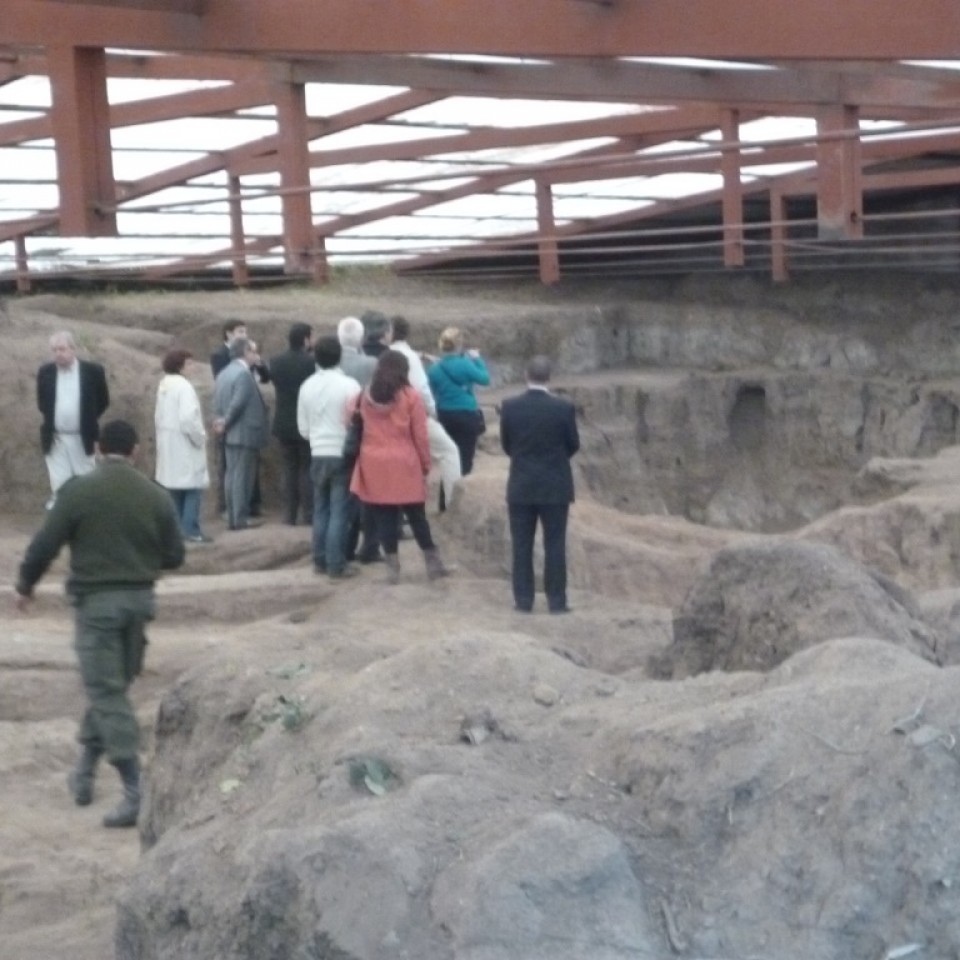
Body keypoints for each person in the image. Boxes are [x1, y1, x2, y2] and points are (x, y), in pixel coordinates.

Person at [14, 419, 185, 828]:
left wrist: (25, 585)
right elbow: (175, 555)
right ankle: (85, 772)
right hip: (139, 604)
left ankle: (135, 791)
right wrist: (139, 562)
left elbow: (45, 543)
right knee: (113, 687)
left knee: (107, 692)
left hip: (97, 608)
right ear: (136, 451)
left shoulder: (77, 491)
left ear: (96, 449)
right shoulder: (156, 495)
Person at [350, 350, 453, 584]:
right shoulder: (410, 396)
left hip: (372, 461)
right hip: (404, 460)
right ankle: (433, 564)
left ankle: (393, 569)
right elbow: (420, 435)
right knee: (417, 515)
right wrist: (425, 464)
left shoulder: (364, 395)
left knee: (384, 516)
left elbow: (348, 417)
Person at [499, 355, 580, 614]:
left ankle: (524, 600)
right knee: (555, 544)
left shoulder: (510, 406)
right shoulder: (564, 408)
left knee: (521, 545)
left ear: (526, 375)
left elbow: (507, 444)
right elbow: (573, 444)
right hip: (555, 484)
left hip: (521, 484)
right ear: (550, 377)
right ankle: (557, 601)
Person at [297, 335, 361, 580]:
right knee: (339, 511)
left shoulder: (307, 386)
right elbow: (356, 422)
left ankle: (320, 559)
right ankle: (336, 563)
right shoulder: (350, 385)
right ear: (339, 357)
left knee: (321, 509)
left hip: (317, 451)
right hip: (342, 451)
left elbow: (303, 428)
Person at [390, 315, 463, 513]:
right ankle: (452, 505)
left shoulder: (387, 353)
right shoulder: (409, 357)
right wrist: (432, 411)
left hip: (387, 416)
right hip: (413, 414)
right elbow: (421, 389)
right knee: (449, 452)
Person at [36, 330, 110, 504]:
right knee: (59, 485)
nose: (58, 354)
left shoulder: (93, 371)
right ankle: (62, 517)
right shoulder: (46, 372)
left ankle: (85, 518)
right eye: (54, 350)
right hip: (56, 438)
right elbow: (42, 403)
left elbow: (103, 401)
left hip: (82, 437)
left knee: (86, 482)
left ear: (73, 349)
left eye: (62, 349)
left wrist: (87, 420)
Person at [210, 320, 269, 517]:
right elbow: (237, 404)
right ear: (245, 352)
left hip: (228, 433)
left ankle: (231, 514)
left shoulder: (224, 373)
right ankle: (239, 517)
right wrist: (225, 421)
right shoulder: (243, 374)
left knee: (231, 475)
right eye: (253, 352)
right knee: (242, 477)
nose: (255, 355)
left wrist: (219, 421)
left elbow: (218, 401)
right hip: (243, 432)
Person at [154, 348, 212, 543]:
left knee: (175, 489)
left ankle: (177, 530)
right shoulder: (184, 387)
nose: (193, 367)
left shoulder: (164, 385)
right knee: (193, 488)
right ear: (180, 366)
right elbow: (188, 419)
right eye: (189, 364)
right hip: (185, 444)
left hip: (169, 444)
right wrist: (200, 437)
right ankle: (191, 530)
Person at [427, 324, 490, 496]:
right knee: (465, 457)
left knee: (448, 458)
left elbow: (432, 391)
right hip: (466, 413)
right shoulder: (465, 364)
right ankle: (461, 497)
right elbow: (485, 379)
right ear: (459, 344)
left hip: (445, 414)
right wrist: (477, 359)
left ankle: (445, 497)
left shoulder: (434, 369)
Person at [337, 315, 381, 563]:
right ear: (361, 338)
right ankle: (370, 546)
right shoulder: (371, 364)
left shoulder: (329, 362)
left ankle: (345, 547)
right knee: (369, 494)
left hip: (337, 436)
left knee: (344, 496)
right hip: (365, 435)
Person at [269, 322, 315, 526]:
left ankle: (289, 515)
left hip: (283, 421)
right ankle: (309, 513)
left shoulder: (276, 361)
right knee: (306, 468)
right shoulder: (311, 362)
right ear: (305, 339)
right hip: (305, 421)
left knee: (289, 469)